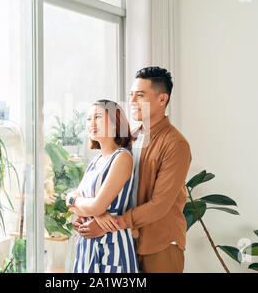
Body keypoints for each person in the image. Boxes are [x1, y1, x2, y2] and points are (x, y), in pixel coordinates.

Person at [74, 67, 192, 273]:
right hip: (126, 241)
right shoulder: (130, 139)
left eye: (140, 95)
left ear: (162, 99)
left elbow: (160, 204)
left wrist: (107, 224)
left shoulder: (176, 144)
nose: (133, 102)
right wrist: (95, 214)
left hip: (160, 244)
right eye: (131, 95)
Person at [66, 99, 139, 273]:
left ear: (115, 123)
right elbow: (73, 198)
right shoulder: (96, 160)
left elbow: (97, 205)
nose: (91, 123)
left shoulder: (122, 157)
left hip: (112, 246)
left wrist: (77, 203)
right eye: (88, 119)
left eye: (98, 117)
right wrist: (76, 202)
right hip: (87, 247)